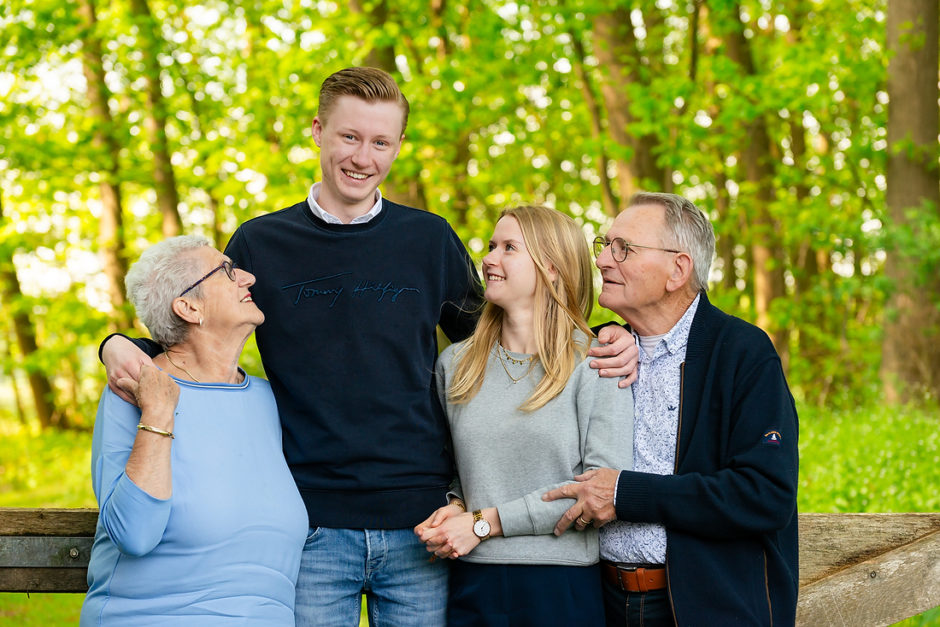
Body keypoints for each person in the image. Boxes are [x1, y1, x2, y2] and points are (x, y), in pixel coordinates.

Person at [98, 67, 638, 626]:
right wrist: (119, 344)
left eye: (381, 142)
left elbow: (506, 334)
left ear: (398, 145)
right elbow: (197, 327)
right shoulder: (261, 242)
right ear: (317, 131)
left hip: (421, 525)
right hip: (311, 523)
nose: (363, 157)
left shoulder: (428, 240)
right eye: (349, 137)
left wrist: (602, 334)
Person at [543, 192, 799, 626]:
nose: (603, 260)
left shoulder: (742, 353)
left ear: (677, 270)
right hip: (599, 602)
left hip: (704, 609)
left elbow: (765, 494)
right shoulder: (599, 349)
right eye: (604, 244)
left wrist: (627, 494)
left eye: (623, 248)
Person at [414, 206, 634, 626]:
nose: (490, 258)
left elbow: (599, 492)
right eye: (492, 245)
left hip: (561, 586)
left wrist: (482, 525)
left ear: (551, 268)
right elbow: (458, 468)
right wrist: (456, 503)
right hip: (473, 581)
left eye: (509, 248)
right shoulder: (455, 365)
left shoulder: (595, 363)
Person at [81, 236, 307, 625]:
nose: (249, 277)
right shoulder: (133, 391)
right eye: (228, 271)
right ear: (188, 307)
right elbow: (134, 534)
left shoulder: (268, 400)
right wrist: (158, 412)